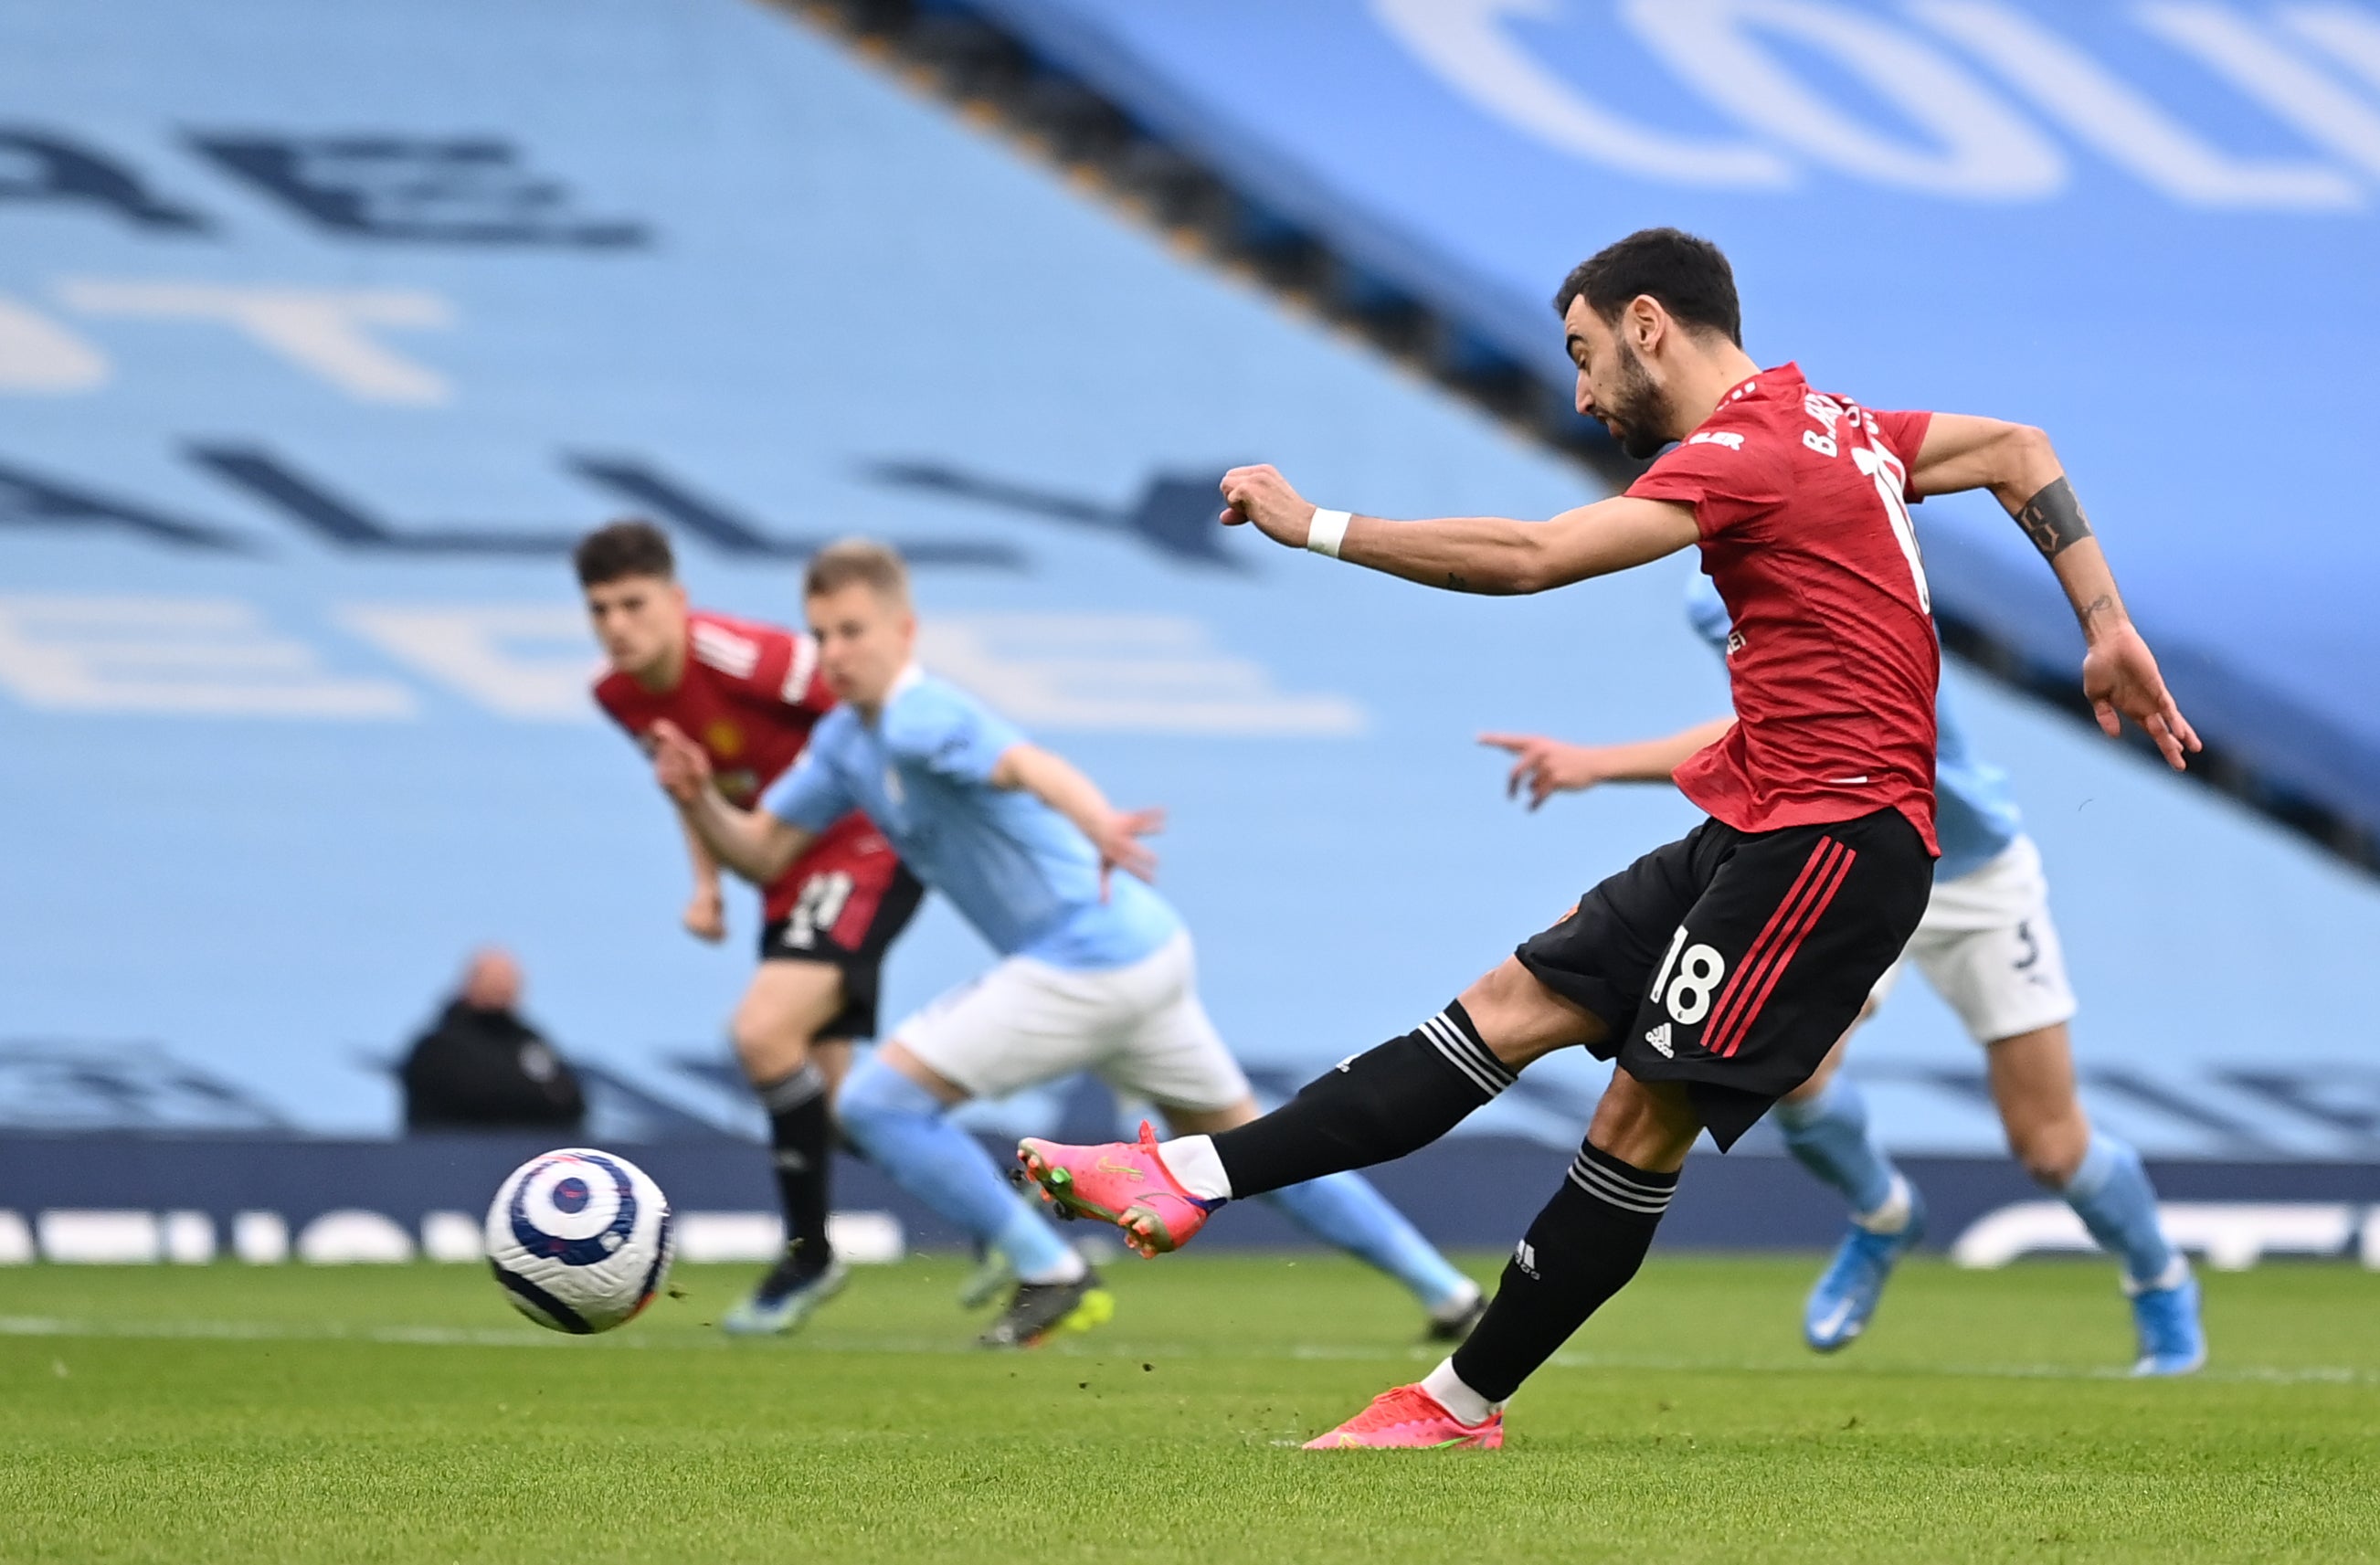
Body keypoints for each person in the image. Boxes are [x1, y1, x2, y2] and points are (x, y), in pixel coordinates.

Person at [1016, 227, 2198, 1448]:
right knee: (1502, 1006)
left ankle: (1454, 1406)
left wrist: (1312, 523)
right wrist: (2100, 621)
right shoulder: (1839, 427)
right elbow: (2019, 450)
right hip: (1755, 814)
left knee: (1639, 1119)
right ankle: (1186, 1178)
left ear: (1648, 323)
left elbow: (1529, 559)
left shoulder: (1746, 452)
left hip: (1836, 839)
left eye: (1583, 355)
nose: (1580, 392)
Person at [651, 538, 1486, 1349]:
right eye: (821, 633)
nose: (835, 651)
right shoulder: (844, 740)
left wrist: (1095, 819)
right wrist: (697, 799)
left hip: (1086, 955)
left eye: (854, 630)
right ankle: (1446, 1291)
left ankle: (1047, 1265)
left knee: (877, 1104)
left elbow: (1027, 764)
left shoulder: (922, 715)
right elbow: (760, 851)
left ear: (904, 631)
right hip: (1139, 951)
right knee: (1243, 1146)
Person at [1480, 570, 2202, 1372]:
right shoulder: (1714, 588)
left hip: (1969, 873)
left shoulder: (1862, 564)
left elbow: (1807, 730)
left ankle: (2159, 1279)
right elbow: (1769, 729)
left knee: (2049, 1145)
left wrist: (1599, 763)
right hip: (1851, 855)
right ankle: (1884, 1213)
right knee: (1788, 1072)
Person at [579, 520, 924, 1336]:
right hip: (776, 866)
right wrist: (707, 884)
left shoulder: (746, 657)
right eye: (599, 610)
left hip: (858, 846)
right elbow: (691, 780)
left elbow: (875, 698)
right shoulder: (619, 694)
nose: (617, 626)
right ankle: (1017, 1212)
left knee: (761, 1032)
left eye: (633, 604)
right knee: (840, 1112)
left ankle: (808, 1252)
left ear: (677, 601)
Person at [401, 947, 585, 1133]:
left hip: (528, 1149)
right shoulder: (438, 1048)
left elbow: (570, 1100)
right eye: (494, 979)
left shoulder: (530, 1042)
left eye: (508, 980)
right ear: (470, 982)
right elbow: (472, 1097)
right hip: (455, 1153)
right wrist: (528, 1095)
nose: (502, 987)